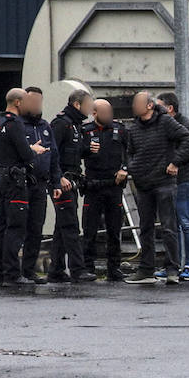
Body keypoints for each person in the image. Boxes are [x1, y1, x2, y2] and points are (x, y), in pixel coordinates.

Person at [121, 91, 189, 285]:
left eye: (138, 102)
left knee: (169, 227)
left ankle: (172, 268)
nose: (134, 106)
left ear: (149, 106)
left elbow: (188, 140)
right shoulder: (134, 128)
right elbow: (129, 152)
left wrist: (175, 162)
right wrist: (134, 168)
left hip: (164, 183)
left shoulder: (165, 122)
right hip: (143, 184)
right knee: (145, 228)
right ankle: (146, 269)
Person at [0, 88, 47, 288]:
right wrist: (34, 149)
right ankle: (12, 274)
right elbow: (26, 155)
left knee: (1, 227)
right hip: (14, 180)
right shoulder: (14, 124)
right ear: (19, 103)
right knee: (16, 227)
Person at [47, 89, 96, 282]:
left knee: (62, 227)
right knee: (71, 226)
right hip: (62, 183)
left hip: (73, 180)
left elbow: (72, 152)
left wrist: (87, 150)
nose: (91, 108)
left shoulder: (76, 125)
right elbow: (51, 153)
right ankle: (78, 269)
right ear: (77, 105)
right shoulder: (62, 124)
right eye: (88, 104)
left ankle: (56, 269)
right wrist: (58, 178)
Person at [82, 99, 130, 282]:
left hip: (114, 185)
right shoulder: (85, 131)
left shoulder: (120, 130)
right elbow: (76, 152)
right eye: (104, 112)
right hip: (93, 185)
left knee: (114, 229)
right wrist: (86, 150)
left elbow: (131, 152)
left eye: (110, 112)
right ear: (94, 113)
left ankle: (114, 268)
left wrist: (125, 169)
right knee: (90, 230)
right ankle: (88, 267)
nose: (108, 116)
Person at [20, 86, 62, 284]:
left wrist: (56, 182)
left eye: (39, 102)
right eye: (33, 102)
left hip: (40, 186)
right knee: (17, 228)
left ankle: (29, 271)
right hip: (21, 184)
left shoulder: (45, 126)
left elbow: (53, 156)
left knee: (36, 229)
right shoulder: (17, 125)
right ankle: (8, 270)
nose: (37, 106)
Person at [156, 92, 189, 282]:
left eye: (159, 106)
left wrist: (174, 163)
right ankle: (172, 265)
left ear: (169, 108)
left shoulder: (187, 126)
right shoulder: (161, 126)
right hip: (165, 181)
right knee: (170, 225)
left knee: (185, 222)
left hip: (182, 181)